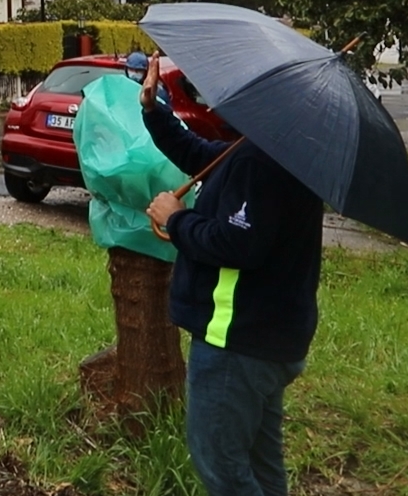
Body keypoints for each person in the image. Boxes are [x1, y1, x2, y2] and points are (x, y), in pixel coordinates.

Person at [139, 53, 324, 496]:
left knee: (222, 468)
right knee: (262, 464)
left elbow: (238, 245)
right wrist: (154, 110)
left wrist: (177, 219)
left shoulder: (259, 163)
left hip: (237, 345)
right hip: (272, 339)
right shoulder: (276, 149)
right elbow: (198, 154)